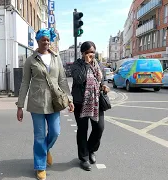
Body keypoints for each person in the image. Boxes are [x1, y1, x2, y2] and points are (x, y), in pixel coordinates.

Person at [16, 28, 74, 180]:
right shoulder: (31, 60)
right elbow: (24, 83)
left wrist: (69, 99)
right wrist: (20, 106)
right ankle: (40, 167)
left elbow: (62, 80)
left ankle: (45, 150)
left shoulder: (56, 58)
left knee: (55, 132)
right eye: (43, 40)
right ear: (38, 41)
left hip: (55, 101)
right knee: (40, 135)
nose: (46, 42)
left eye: (48, 40)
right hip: (37, 102)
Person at [71, 41, 109, 171]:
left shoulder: (98, 65)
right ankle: (84, 158)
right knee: (82, 130)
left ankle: (91, 149)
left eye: (92, 52)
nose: (91, 55)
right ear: (82, 53)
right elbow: (79, 79)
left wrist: (104, 85)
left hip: (96, 101)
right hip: (80, 102)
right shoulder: (77, 65)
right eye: (87, 52)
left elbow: (101, 79)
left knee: (99, 128)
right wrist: (86, 64)